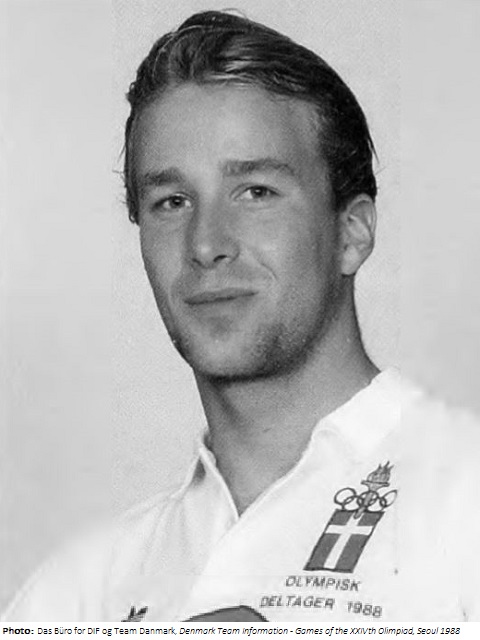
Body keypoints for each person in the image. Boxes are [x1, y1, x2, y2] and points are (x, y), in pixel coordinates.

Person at [3, 10, 480, 623]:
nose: (206, 244)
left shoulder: (463, 501)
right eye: (172, 201)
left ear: (352, 232)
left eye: (256, 192)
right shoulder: (79, 594)